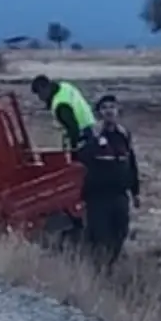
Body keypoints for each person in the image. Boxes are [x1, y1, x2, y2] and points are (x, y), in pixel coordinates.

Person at [77, 92, 141, 269]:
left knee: (120, 232)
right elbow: (79, 159)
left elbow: (131, 163)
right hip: (98, 196)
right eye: (104, 108)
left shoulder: (124, 135)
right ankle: (97, 271)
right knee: (100, 236)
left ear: (118, 110)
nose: (109, 111)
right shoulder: (90, 134)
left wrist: (135, 192)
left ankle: (109, 266)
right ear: (99, 113)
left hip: (119, 195)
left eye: (112, 107)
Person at [30, 74, 95, 151]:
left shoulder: (61, 105)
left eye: (39, 93)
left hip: (82, 135)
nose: (40, 98)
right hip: (88, 126)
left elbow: (73, 128)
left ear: (44, 88)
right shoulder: (64, 86)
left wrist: (72, 150)